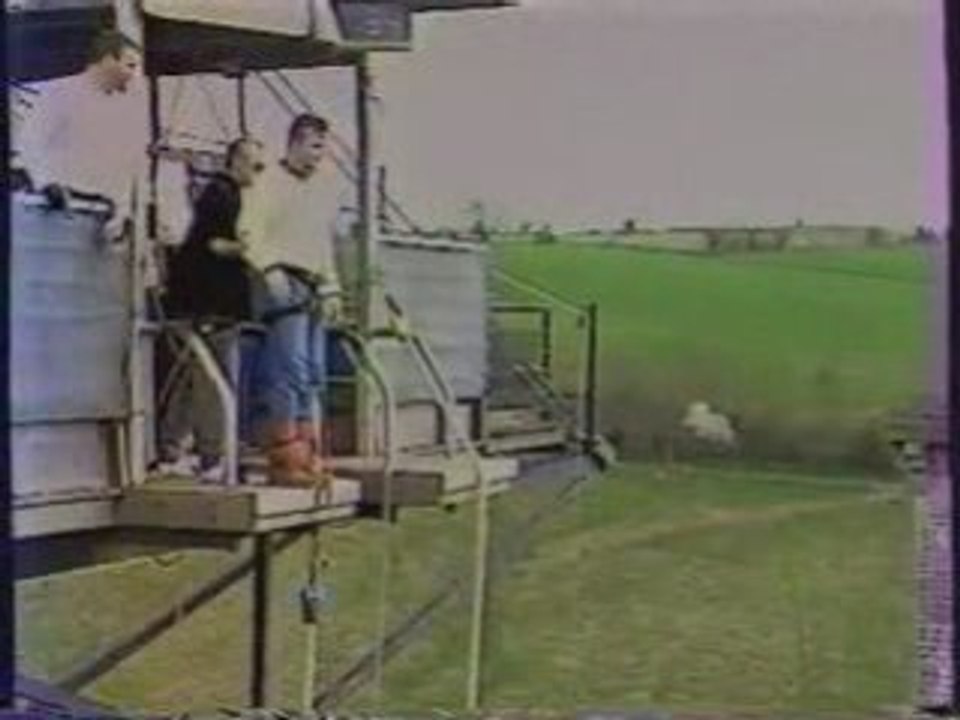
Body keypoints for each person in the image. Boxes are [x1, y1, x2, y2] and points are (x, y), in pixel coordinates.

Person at [241, 114, 343, 487]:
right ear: (296, 142)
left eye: (323, 148)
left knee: (313, 373)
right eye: (315, 146)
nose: (319, 155)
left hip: (314, 283)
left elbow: (323, 243)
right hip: (284, 281)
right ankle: (285, 457)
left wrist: (332, 287)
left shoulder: (320, 190)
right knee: (289, 371)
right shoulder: (267, 183)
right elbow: (250, 230)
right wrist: (269, 270)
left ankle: (310, 453)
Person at [159, 137, 265, 478]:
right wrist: (250, 249)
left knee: (195, 377)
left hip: (199, 300)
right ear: (236, 161)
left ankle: (172, 449)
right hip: (210, 302)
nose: (258, 173)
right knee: (214, 379)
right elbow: (215, 243)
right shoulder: (223, 194)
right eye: (255, 164)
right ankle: (212, 456)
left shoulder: (219, 193)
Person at [15, 28, 146, 241]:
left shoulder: (122, 109)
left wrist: (123, 213)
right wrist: (47, 182)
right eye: (130, 65)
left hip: (104, 221)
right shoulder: (61, 93)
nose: (133, 74)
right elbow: (31, 143)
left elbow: (127, 167)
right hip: (57, 214)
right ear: (108, 60)